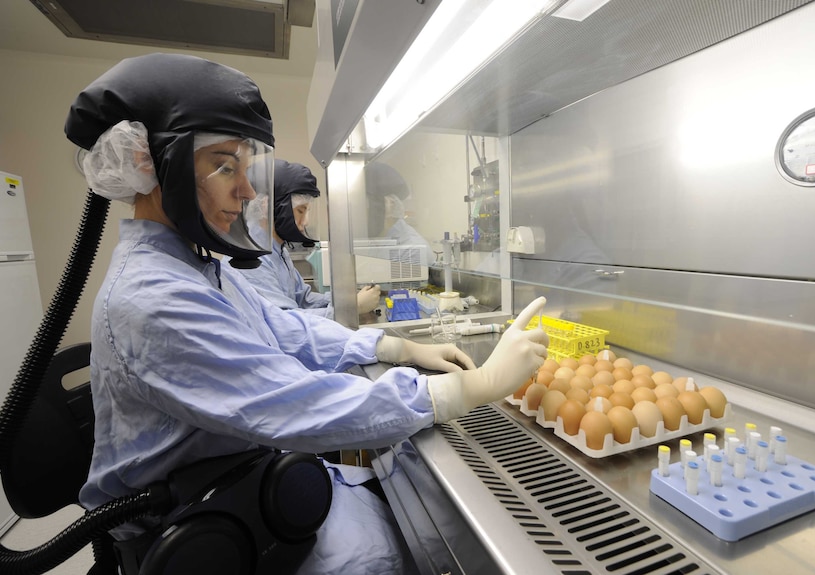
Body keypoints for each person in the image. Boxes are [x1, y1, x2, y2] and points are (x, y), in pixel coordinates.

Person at [65, 53, 549, 575]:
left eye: (246, 168)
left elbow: (284, 328)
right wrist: (470, 389)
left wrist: (393, 347)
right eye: (225, 165)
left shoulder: (194, 266)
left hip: (245, 487)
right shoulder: (152, 297)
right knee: (399, 555)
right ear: (149, 162)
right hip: (206, 532)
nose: (248, 191)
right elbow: (290, 401)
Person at [234, 160, 380, 317]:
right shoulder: (251, 258)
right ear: (267, 207)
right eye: (300, 211)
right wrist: (352, 309)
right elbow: (286, 323)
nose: (306, 222)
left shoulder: (276, 249)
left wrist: (347, 300)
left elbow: (304, 298)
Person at [365, 162, 434, 265]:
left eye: (367, 204)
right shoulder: (381, 241)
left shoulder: (410, 249)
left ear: (390, 204)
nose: (364, 211)